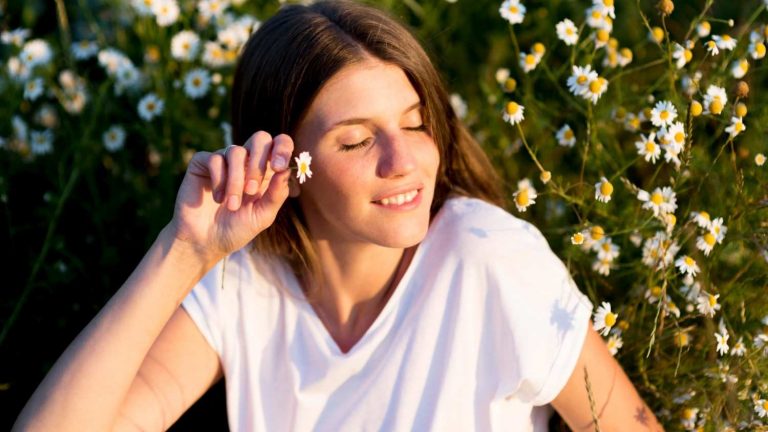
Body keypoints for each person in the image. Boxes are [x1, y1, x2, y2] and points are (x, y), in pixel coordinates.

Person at [14, 1, 663, 431]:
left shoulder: (489, 257)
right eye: (355, 140)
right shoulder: (246, 280)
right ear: (287, 168)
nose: (404, 160)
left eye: (415, 123)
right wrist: (184, 251)